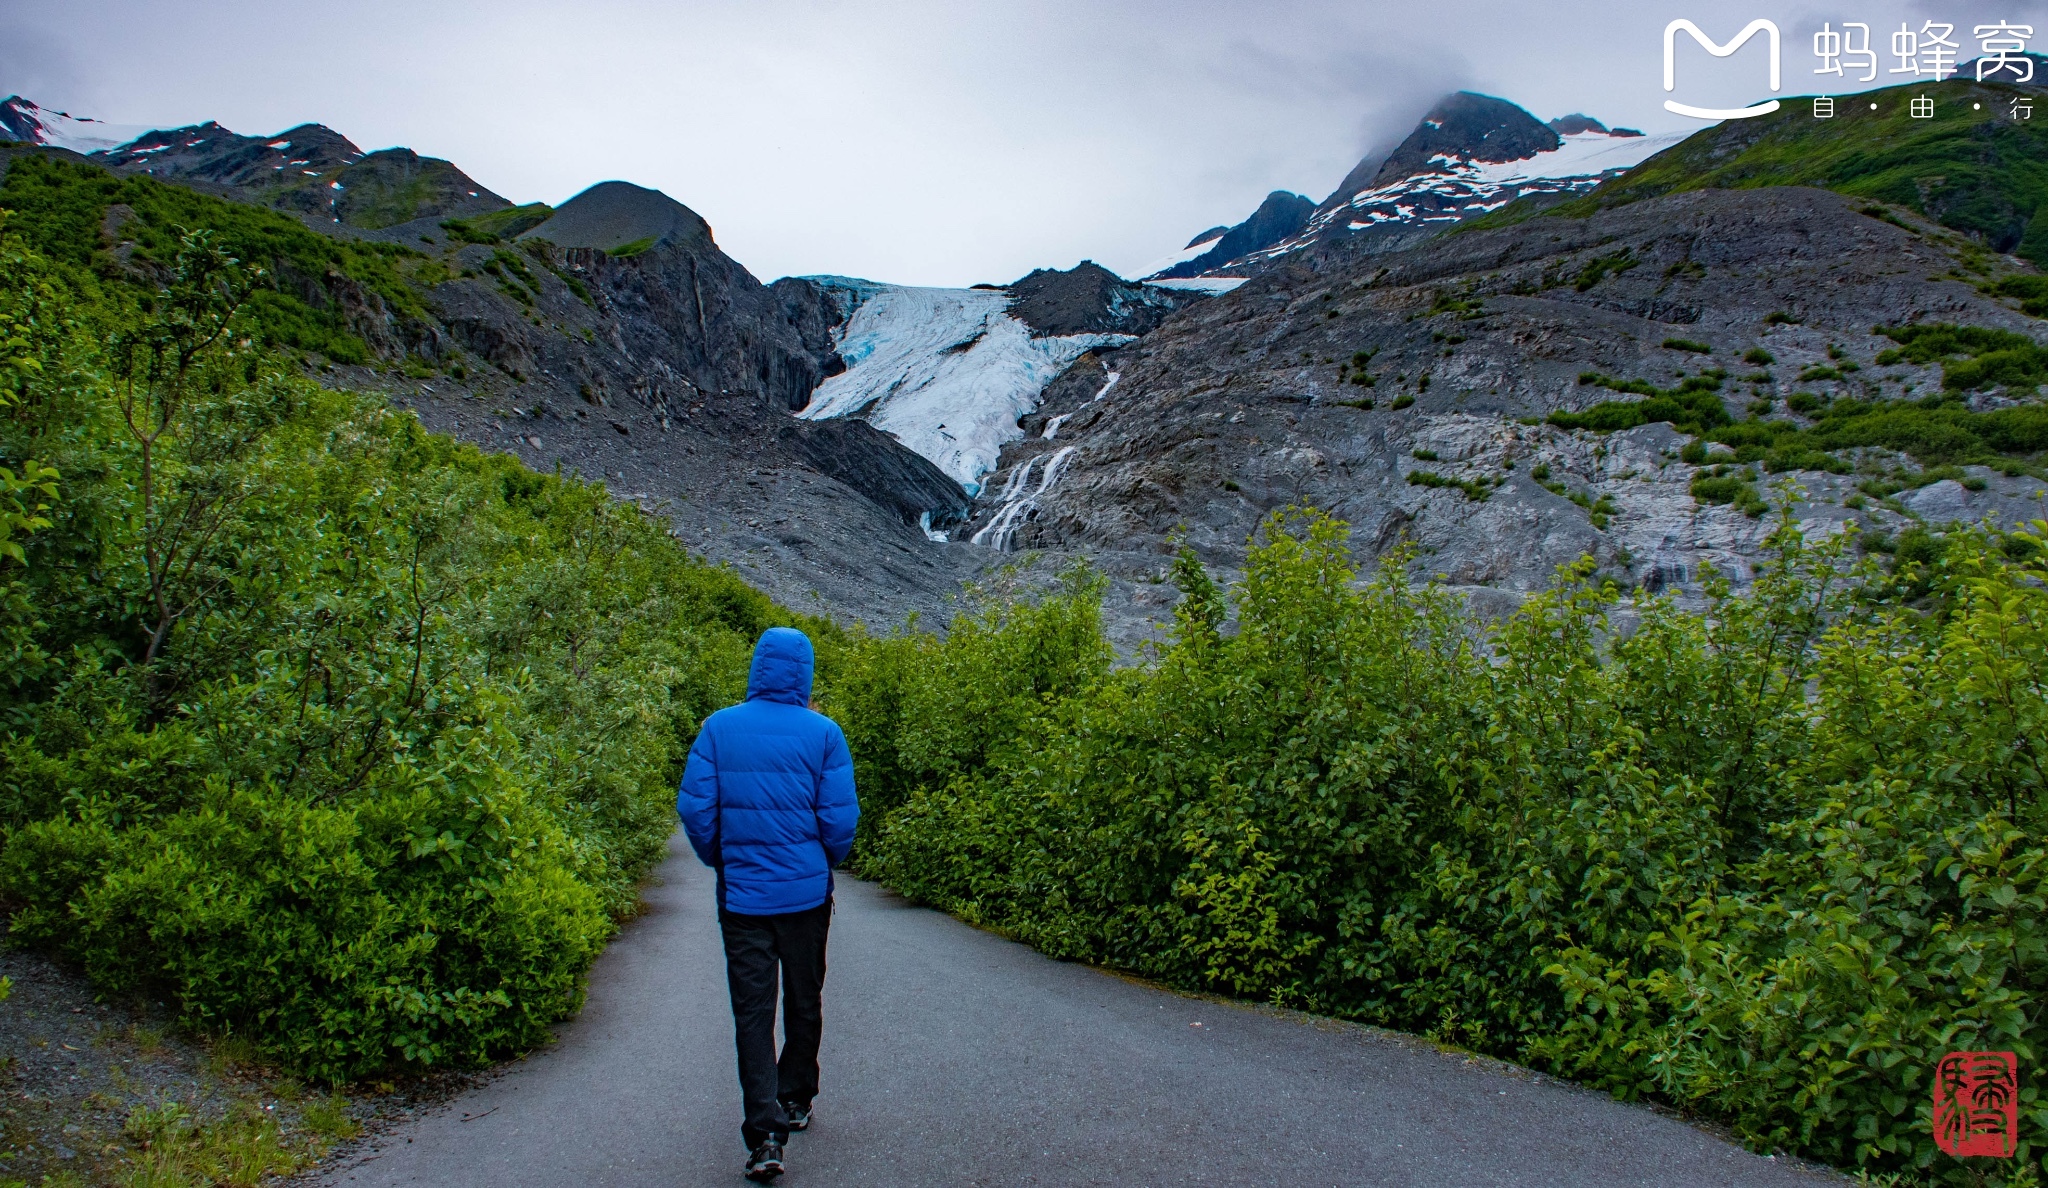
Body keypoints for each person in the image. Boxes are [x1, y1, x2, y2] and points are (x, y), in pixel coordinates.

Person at [679, 627, 858, 1184]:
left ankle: (764, 1134)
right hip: (806, 898)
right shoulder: (825, 734)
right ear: (803, 674)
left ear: (757, 668)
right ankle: (797, 1096)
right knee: (804, 998)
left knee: (753, 1013)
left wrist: (723, 861)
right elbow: (839, 822)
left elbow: (696, 812)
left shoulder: (717, 728)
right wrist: (823, 860)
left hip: (743, 899)